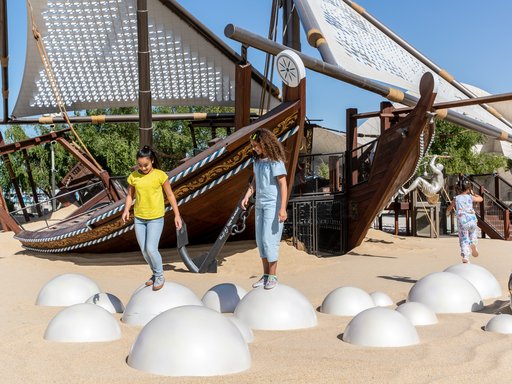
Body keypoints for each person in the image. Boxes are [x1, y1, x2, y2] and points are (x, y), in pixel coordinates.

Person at [121, 146, 182, 290]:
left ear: (152, 161)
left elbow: (170, 195)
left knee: (151, 248)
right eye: (140, 165)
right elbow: (130, 196)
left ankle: (160, 275)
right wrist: (126, 210)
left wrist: (177, 215)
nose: (143, 168)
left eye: (146, 165)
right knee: (144, 250)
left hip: (156, 217)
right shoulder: (133, 176)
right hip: (139, 218)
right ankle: (155, 273)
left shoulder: (160, 175)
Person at [241, 128, 288, 290]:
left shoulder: (276, 162)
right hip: (260, 205)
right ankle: (266, 275)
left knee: (270, 240)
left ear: (265, 144)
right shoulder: (258, 162)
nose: (254, 148)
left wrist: (282, 208)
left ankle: (273, 276)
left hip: (273, 206)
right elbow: (254, 182)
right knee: (260, 241)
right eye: (253, 145)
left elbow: (283, 185)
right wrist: (247, 195)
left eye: (256, 145)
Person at [446, 180, 483, 263]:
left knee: (464, 239)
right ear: (468, 189)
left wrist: (447, 212)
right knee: (473, 233)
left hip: (462, 221)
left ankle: (465, 256)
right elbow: (481, 199)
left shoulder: (456, 198)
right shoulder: (470, 197)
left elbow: (450, 208)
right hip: (472, 220)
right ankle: (473, 243)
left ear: (458, 189)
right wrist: (473, 193)